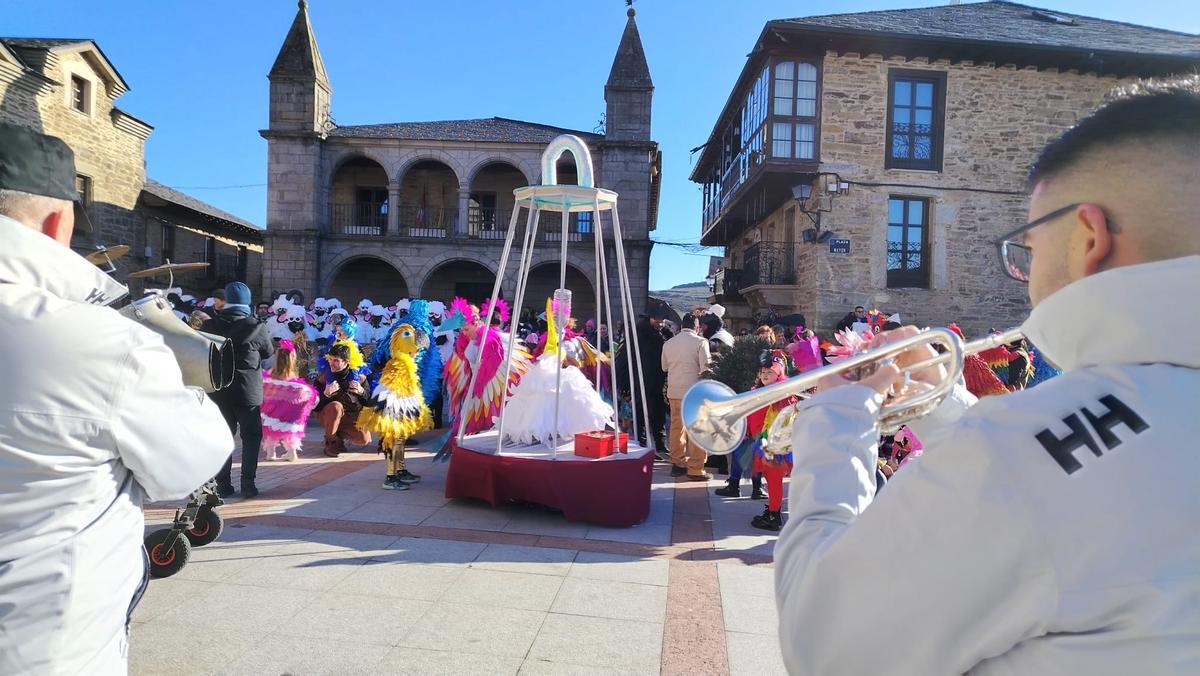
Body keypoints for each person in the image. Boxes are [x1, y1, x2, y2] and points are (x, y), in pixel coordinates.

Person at [774, 78, 1200, 673]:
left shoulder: (1016, 454)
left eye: (1027, 248)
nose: (1024, 274)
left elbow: (822, 646)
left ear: (1088, 236)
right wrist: (941, 403)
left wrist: (834, 422)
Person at [0, 122, 232, 673]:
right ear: (59, 221)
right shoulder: (99, 341)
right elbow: (189, 464)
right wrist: (173, 377)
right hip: (40, 644)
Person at [202, 281, 275, 498]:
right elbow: (267, 353)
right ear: (247, 304)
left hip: (218, 390)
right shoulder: (256, 326)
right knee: (251, 437)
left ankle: (222, 485)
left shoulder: (210, 325)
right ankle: (248, 484)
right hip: (247, 392)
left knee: (222, 437)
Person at [661, 314, 713, 480]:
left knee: (677, 428)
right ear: (696, 327)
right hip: (694, 391)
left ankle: (677, 463)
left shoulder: (669, 343)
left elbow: (664, 367)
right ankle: (696, 468)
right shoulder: (700, 342)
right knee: (697, 428)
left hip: (675, 391)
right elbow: (706, 368)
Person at [261, 339, 319, 461]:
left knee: (270, 432)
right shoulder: (296, 385)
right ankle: (292, 452)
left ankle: (270, 453)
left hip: (271, 414)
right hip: (290, 416)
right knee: (290, 431)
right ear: (293, 360)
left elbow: (262, 393)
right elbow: (312, 398)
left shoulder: (268, 379)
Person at [315, 342, 372, 457]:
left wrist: (361, 392)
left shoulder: (359, 378)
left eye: (336, 360)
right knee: (336, 406)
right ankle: (330, 442)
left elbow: (368, 403)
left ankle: (338, 437)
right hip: (328, 414)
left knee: (363, 439)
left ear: (346, 362)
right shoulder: (323, 378)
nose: (331, 363)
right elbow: (314, 406)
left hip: (349, 417)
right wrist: (326, 394)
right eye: (330, 359)